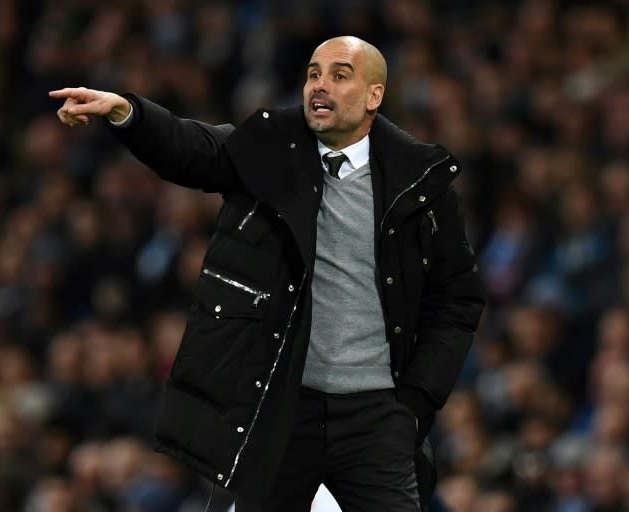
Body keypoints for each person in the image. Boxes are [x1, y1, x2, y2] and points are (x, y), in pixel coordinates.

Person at [50, 35, 484, 512]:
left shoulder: (420, 184)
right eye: (314, 74)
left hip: (377, 417)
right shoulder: (273, 148)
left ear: (374, 96)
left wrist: (416, 401)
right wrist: (126, 113)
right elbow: (197, 149)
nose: (320, 86)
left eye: (340, 76)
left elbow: (458, 299)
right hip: (283, 406)